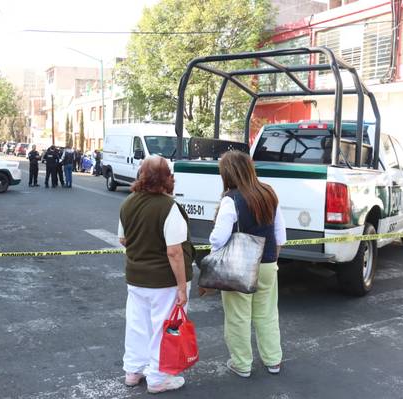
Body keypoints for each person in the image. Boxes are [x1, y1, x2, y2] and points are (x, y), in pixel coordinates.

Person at [118, 156, 195, 394]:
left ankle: (133, 370)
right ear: (167, 178)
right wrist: (182, 287)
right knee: (165, 328)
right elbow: (174, 252)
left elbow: (123, 238)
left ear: (141, 174)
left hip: (136, 277)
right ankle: (159, 378)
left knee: (137, 324)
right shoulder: (169, 207)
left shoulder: (129, 202)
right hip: (164, 282)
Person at [207, 150, 285, 378]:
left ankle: (242, 364)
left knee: (238, 316)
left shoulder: (231, 199)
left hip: (240, 265)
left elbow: (218, 237)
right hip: (268, 262)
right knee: (267, 313)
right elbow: (280, 233)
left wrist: (215, 258)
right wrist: (272, 257)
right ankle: (273, 360)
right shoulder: (269, 192)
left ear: (228, 174)